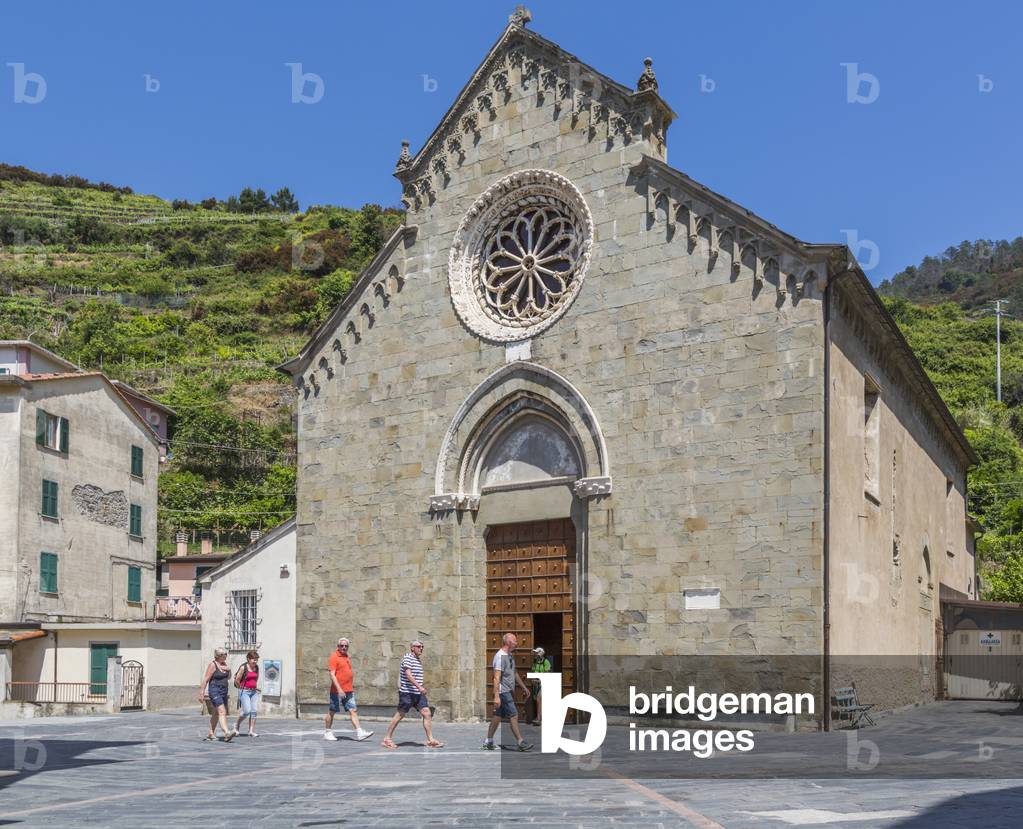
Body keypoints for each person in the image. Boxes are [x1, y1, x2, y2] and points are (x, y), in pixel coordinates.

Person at [381, 640, 443, 749]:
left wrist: (419, 689)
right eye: (418, 646)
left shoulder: (417, 660)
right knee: (400, 715)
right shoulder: (408, 658)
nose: (421, 648)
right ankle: (387, 739)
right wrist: (419, 687)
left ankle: (430, 740)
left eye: (422, 646)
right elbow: (408, 674)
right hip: (407, 692)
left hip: (417, 694)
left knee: (427, 713)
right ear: (412, 648)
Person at [483, 633, 533, 751]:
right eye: (515, 641)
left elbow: (514, 673)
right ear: (509, 642)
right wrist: (496, 696)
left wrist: (523, 687)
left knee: (498, 716)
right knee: (514, 715)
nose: (517, 643)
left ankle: (488, 741)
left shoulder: (509, 656)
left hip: (509, 691)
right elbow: (496, 678)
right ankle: (520, 742)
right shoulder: (500, 656)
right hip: (503, 691)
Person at [324, 638, 373, 741]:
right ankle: (327, 732)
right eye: (342, 645)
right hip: (337, 691)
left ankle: (360, 732)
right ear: (338, 646)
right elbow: (332, 675)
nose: (344, 647)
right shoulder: (334, 657)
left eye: (346, 646)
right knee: (332, 711)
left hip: (348, 690)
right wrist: (339, 689)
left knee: (353, 710)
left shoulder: (346, 656)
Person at [199, 647, 236, 742]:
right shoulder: (213, 665)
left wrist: (229, 669)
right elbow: (205, 679)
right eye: (224, 654)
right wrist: (201, 693)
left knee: (216, 713)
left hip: (224, 691)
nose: (226, 656)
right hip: (215, 690)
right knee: (222, 711)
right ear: (218, 656)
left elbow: (228, 677)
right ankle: (226, 732)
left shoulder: (224, 664)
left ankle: (210, 733)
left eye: (226, 654)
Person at [233, 650, 261, 737]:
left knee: (254, 711)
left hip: (254, 692)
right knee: (247, 711)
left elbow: (256, 678)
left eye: (256, 659)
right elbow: (237, 679)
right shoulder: (243, 667)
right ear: (248, 659)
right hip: (244, 691)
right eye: (254, 659)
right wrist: (241, 688)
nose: (255, 661)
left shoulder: (256, 667)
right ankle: (236, 725)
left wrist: (255, 687)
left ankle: (251, 731)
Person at [526, 646, 552, 725]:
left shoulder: (546, 662)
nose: (535, 654)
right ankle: (540, 718)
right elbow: (534, 671)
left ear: (540, 654)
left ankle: (539, 719)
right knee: (538, 701)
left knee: (539, 700)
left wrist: (538, 680)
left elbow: (547, 674)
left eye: (536, 653)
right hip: (536, 684)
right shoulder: (535, 662)